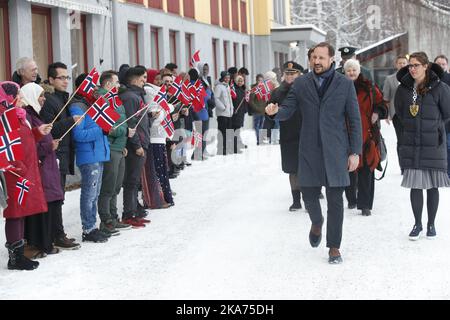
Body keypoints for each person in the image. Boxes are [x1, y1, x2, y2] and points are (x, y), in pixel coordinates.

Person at [265, 42, 362, 264]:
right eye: (313, 57)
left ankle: (334, 247)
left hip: (336, 150)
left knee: (335, 200)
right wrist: (275, 112)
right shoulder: (301, 83)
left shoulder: (345, 85)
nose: (316, 61)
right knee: (308, 192)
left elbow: (354, 120)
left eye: (321, 58)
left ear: (331, 60)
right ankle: (317, 222)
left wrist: (355, 151)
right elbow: (288, 109)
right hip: (308, 148)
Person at [394, 52, 450, 240]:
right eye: (410, 65)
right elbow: (400, 114)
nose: (412, 68)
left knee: (432, 186)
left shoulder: (440, 88)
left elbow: (448, 113)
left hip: (433, 144)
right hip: (412, 143)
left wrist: (437, 131)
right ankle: (417, 224)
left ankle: (431, 224)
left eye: (416, 65)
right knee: (416, 186)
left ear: (426, 66)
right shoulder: (403, 89)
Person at [0, 81, 53, 270]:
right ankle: (15, 258)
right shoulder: (5, 118)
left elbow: (24, 140)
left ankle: (19, 255)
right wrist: (17, 166)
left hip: (25, 171)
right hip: (15, 173)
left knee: (20, 213)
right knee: (14, 213)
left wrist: (37, 132)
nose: (22, 98)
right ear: (10, 98)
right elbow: (5, 146)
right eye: (19, 95)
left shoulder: (18, 116)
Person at [40, 62, 80, 250]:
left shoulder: (64, 98)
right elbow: (48, 130)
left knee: (59, 196)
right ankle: (56, 234)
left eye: (67, 77)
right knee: (56, 197)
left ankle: (57, 233)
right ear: (51, 79)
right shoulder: (48, 100)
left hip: (64, 153)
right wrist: (70, 121)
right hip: (54, 154)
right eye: (61, 77)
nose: (65, 81)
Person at [22, 83, 63, 259]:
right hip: (40, 168)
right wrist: (48, 146)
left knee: (50, 206)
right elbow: (29, 146)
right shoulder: (28, 116)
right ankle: (39, 243)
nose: (44, 99)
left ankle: (46, 242)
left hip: (48, 166)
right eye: (40, 96)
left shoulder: (36, 115)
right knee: (42, 208)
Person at [68, 74, 111, 242]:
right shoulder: (77, 107)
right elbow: (78, 134)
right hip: (88, 156)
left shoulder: (92, 104)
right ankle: (88, 228)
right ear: (81, 87)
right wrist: (102, 130)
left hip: (98, 154)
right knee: (89, 194)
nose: (94, 89)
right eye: (90, 86)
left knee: (95, 193)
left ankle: (92, 226)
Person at [343, 59, 388, 216]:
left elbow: (382, 103)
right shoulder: (338, 88)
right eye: (348, 70)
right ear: (344, 72)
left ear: (359, 71)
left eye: (354, 70)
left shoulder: (369, 87)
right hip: (345, 135)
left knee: (367, 170)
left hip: (367, 134)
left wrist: (378, 112)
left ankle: (365, 204)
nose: (352, 73)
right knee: (349, 168)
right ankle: (351, 199)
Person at [97, 71, 134, 234]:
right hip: (110, 149)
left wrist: (123, 142)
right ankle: (106, 220)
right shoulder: (103, 100)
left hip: (119, 148)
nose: (119, 85)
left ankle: (113, 216)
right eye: (116, 82)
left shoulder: (114, 99)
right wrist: (124, 133)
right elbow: (107, 128)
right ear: (108, 85)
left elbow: (119, 122)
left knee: (116, 186)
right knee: (108, 186)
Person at [269, 61, 304, 211]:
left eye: (293, 73)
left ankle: (310, 198)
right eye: (288, 73)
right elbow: (269, 110)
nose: (290, 76)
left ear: (299, 74)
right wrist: (270, 112)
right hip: (288, 135)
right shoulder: (277, 92)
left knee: (307, 168)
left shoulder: (306, 89)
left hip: (306, 133)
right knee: (292, 169)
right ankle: (296, 200)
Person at [120, 66, 150, 228]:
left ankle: (133, 211)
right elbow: (131, 123)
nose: (145, 81)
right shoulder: (130, 97)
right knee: (131, 181)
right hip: (134, 146)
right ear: (135, 79)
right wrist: (137, 145)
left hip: (142, 142)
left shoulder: (137, 95)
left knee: (134, 180)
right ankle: (128, 214)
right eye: (143, 78)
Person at [383, 55, 409, 169]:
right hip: (396, 114)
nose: (402, 65)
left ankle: (411, 164)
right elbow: (386, 98)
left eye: (404, 63)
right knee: (401, 139)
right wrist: (387, 114)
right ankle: (403, 166)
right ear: (396, 64)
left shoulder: (413, 77)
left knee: (410, 139)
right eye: (400, 63)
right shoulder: (390, 79)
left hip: (411, 113)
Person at [214, 71, 234, 155]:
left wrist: (231, 108)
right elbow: (216, 99)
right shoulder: (219, 87)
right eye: (226, 78)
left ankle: (227, 148)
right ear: (222, 78)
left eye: (229, 78)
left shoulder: (227, 87)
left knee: (228, 132)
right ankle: (220, 149)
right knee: (222, 132)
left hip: (228, 113)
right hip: (222, 113)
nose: (227, 79)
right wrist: (223, 107)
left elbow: (229, 99)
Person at [231, 75, 249, 154]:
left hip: (241, 114)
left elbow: (244, 102)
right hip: (236, 114)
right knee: (235, 131)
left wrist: (245, 110)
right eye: (239, 81)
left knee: (237, 131)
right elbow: (233, 101)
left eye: (241, 81)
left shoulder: (242, 90)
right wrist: (234, 110)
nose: (240, 82)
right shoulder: (235, 90)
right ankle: (235, 148)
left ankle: (237, 145)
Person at [262, 71, 280, 144]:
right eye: (274, 78)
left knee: (276, 123)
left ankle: (275, 139)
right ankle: (268, 137)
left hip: (276, 107)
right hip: (269, 107)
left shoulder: (276, 86)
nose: (275, 79)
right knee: (269, 123)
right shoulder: (267, 87)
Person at [248, 74, 266, 145]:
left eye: (262, 80)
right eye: (259, 80)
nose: (260, 82)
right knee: (257, 126)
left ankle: (260, 138)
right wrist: (256, 108)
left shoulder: (264, 88)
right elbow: (251, 101)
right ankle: (258, 139)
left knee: (261, 125)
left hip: (263, 110)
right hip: (256, 111)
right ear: (256, 80)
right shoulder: (254, 89)